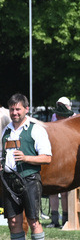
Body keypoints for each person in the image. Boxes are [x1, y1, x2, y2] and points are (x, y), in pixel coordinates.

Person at [0, 94, 52, 240]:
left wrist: (26, 158)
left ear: (26, 109)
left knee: (34, 220)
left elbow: (47, 158)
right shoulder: (7, 131)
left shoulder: (36, 130)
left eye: (18, 109)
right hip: (10, 180)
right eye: (12, 109)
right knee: (13, 221)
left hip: (29, 179)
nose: (15, 112)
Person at [48, 97, 72, 228]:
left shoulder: (73, 118)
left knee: (64, 191)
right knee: (53, 190)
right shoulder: (54, 117)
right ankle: (54, 219)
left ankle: (66, 218)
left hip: (67, 157)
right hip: (55, 156)